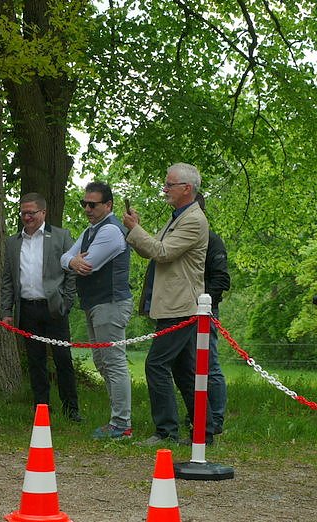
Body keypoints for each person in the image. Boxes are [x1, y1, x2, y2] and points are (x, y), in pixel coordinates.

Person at [123, 163, 211, 446]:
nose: (164, 189)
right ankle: (205, 430)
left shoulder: (193, 220)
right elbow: (153, 251)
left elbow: (162, 253)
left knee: (156, 365)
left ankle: (166, 431)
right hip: (175, 305)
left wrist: (136, 229)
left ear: (187, 189)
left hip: (180, 306)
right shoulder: (179, 217)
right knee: (183, 371)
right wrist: (136, 230)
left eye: (169, 185)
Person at [60, 181, 133, 440]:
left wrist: (73, 261)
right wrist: (72, 260)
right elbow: (65, 258)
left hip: (110, 303)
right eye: (84, 204)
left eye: (93, 204)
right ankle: (118, 420)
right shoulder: (91, 230)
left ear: (108, 205)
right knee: (102, 362)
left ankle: (121, 424)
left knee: (113, 363)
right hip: (96, 303)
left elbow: (88, 265)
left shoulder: (110, 231)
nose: (87, 209)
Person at [1, 192, 81, 421]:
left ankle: (71, 410)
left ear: (43, 213)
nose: (27, 217)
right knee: (36, 362)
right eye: (23, 213)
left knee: (63, 359)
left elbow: (72, 272)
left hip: (55, 308)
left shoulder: (61, 236)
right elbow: (7, 279)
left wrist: (66, 302)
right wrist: (6, 311)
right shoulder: (12, 242)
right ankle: (41, 408)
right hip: (27, 309)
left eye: (31, 213)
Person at [193, 193, 230, 435]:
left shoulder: (212, 241)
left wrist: (204, 304)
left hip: (205, 311)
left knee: (210, 365)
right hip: (183, 310)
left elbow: (222, 280)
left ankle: (215, 418)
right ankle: (197, 415)